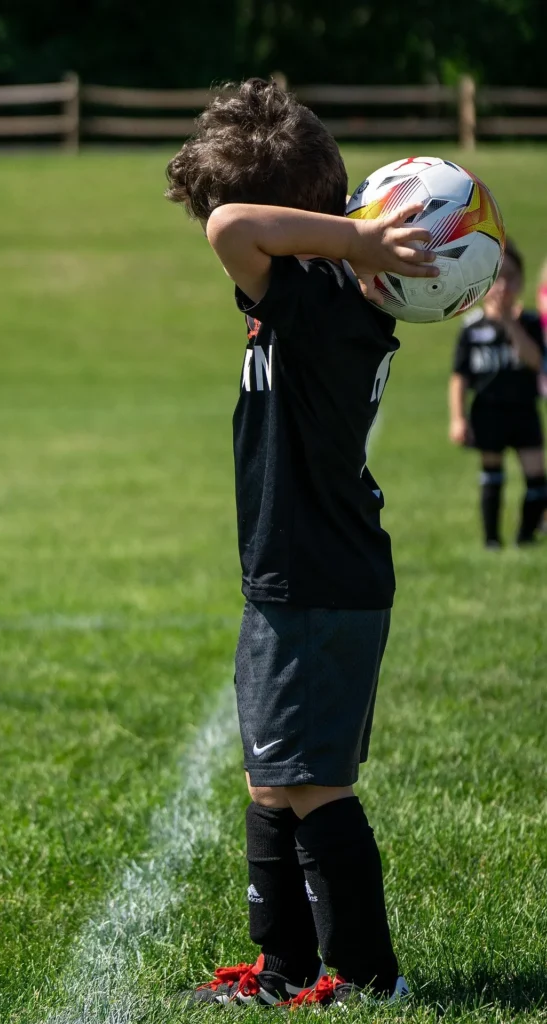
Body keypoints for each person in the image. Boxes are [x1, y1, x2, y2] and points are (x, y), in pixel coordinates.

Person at [164, 78, 439, 1008]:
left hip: (317, 579)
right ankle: (281, 972)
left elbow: (232, 225)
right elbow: (241, 224)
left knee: (312, 785)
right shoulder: (314, 290)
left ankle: (368, 975)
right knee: (273, 778)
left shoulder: (325, 296)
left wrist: (356, 237)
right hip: (295, 575)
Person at [448, 239, 547, 548]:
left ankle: (526, 537)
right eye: (497, 277)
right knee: (492, 474)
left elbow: (535, 361)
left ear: (521, 281)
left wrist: (508, 322)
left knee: (536, 477)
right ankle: (492, 539)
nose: (504, 285)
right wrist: (458, 418)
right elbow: (459, 377)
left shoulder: (529, 323)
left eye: (512, 277)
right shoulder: (472, 326)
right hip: (488, 410)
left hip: (523, 410)